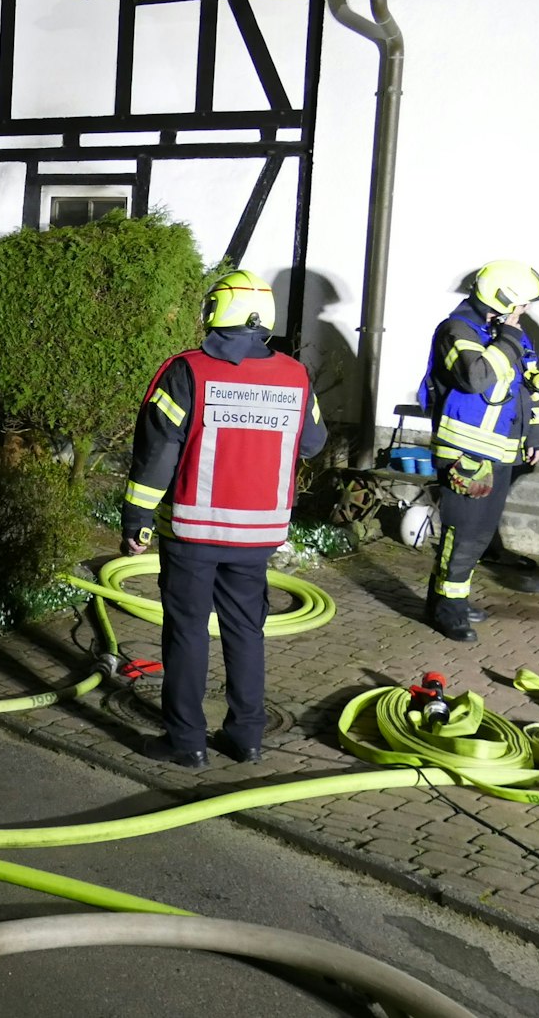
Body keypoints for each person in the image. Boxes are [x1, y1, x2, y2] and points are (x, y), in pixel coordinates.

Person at [119, 271, 325, 769]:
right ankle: (247, 738)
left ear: (217, 311)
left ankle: (186, 743)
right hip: (259, 533)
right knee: (245, 629)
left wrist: (137, 516)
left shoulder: (186, 371)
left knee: (188, 631)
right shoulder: (295, 375)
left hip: (195, 530)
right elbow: (314, 443)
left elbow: (157, 453)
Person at [417, 260, 539, 642]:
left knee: (480, 534)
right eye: (522, 304)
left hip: (502, 451)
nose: (525, 312)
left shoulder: (508, 333)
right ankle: (447, 608)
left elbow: (530, 387)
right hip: (465, 452)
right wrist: (508, 339)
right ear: (505, 299)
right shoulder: (457, 330)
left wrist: (537, 435)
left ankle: (450, 597)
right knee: (463, 534)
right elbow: (475, 377)